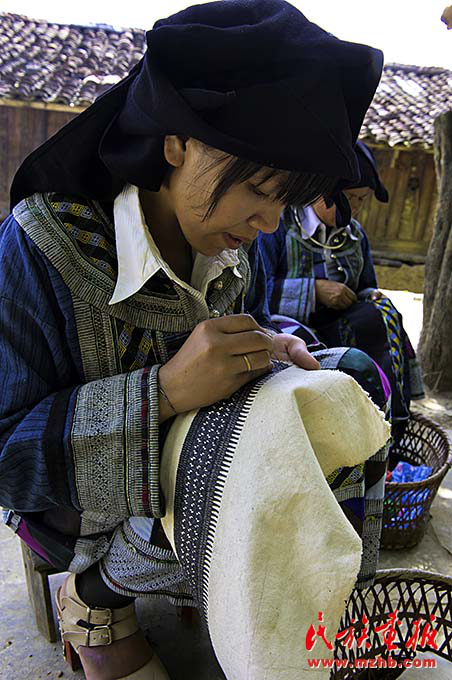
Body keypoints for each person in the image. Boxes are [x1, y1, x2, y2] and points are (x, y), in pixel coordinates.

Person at [0, 2, 388, 678]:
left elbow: (250, 333)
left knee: (349, 380)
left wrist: (270, 342)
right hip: (70, 512)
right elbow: (7, 458)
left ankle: (307, 607)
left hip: (192, 473)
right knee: (240, 460)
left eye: (286, 202)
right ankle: (96, 596)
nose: (269, 223)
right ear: (177, 143)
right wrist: (166, 392)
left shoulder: (232, 245)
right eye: (259, 190)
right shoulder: (42, 244)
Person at [260, 140, 424, 445]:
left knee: (382, 314)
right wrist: (313, 291)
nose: (356, 208)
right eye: (349, 198)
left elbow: (366, 286)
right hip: (289, 327)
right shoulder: (280, 224)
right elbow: (259, 292)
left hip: (341, 324)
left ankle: (390, 423)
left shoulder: (355, 234)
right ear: (322, 191)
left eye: (362, 200)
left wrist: (371, 295)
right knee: (316, 345)